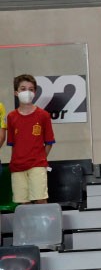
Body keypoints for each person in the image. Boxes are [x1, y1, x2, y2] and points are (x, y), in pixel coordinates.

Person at [7, 74, 54, 205]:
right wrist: (14, 162)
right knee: (23, 202)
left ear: (35, 92)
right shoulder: (11, 117)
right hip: (17, 167)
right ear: (16, 92)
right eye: (23, 89)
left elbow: (49, 142)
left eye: (31, 89)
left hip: (37, 165)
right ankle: (27, 226)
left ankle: (44, 226)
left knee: (41, 199)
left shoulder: (43, 116)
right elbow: (12, 144)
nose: (27, 92)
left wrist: (40, 160)